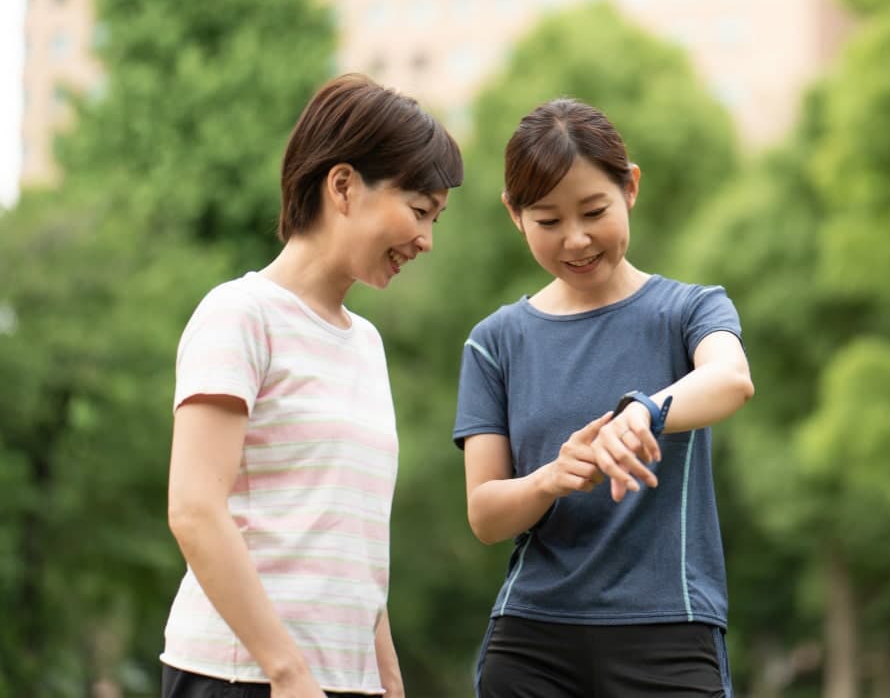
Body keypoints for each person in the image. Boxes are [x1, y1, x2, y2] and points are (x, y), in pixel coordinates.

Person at [162, 74, 464, 698]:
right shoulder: (240, 314)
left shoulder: (367, 346)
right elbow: (194, 509)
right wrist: (286, 671)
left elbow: (352, 542)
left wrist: (386, 679)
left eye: (435, 218)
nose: (426, 240)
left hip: (336, 681)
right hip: (243, 674)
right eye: (418, 210)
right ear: (344, 186)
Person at [452, 98, 754, 697]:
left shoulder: (690, 310)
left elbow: (730, 379)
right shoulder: (496, 342)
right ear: (514, 214)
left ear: (631, 187)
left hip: (669, 633)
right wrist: (551, 478)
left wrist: (645, 409)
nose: (577, 239)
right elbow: (485, 514)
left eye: (594, 210)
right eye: (548, 221)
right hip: (532, 642)